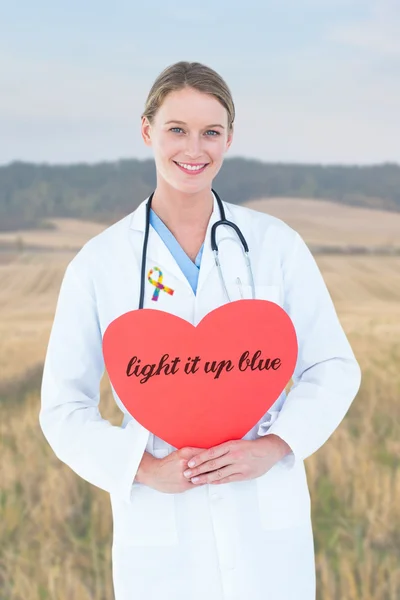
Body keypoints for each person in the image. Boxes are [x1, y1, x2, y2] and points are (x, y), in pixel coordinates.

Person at [39, 61, 362, 600]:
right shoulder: (99, 264)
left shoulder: (274, 244)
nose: (195, 148)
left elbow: (332, 367)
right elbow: (61, 407)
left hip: (265, 520)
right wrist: (145, 470)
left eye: (211, 132)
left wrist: (274, 446)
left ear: (229, 138)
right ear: (147, 131)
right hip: (161, 531)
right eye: (177, 129)